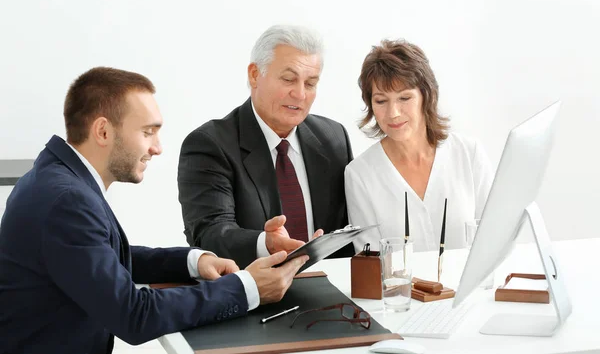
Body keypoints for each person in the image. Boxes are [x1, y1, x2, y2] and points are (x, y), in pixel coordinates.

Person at [0, 67, 308, 354]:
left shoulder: (56, 178)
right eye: (148, 132)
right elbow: (134, 314)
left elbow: (98, 257)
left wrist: (192, 261)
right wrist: (246, 287)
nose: (157, 147)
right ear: (103, 132)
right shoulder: (66, 200)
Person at [178, 25, 354, 268]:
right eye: (288, 79)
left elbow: (348, 230)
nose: (300, 94)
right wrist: (265, 243)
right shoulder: (210, 144)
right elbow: (209, 233)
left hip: (331, 291)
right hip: (254, 296)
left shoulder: (333, 137)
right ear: (254, 75)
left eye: (311, 83)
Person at [345, 40, 494, 253]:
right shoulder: (359, 174)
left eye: (404, 98)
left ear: (427, 95)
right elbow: (371, 261)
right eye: (381, 101)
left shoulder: (469, 155)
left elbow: (494, 239)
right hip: (399, 288)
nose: (393, 113)